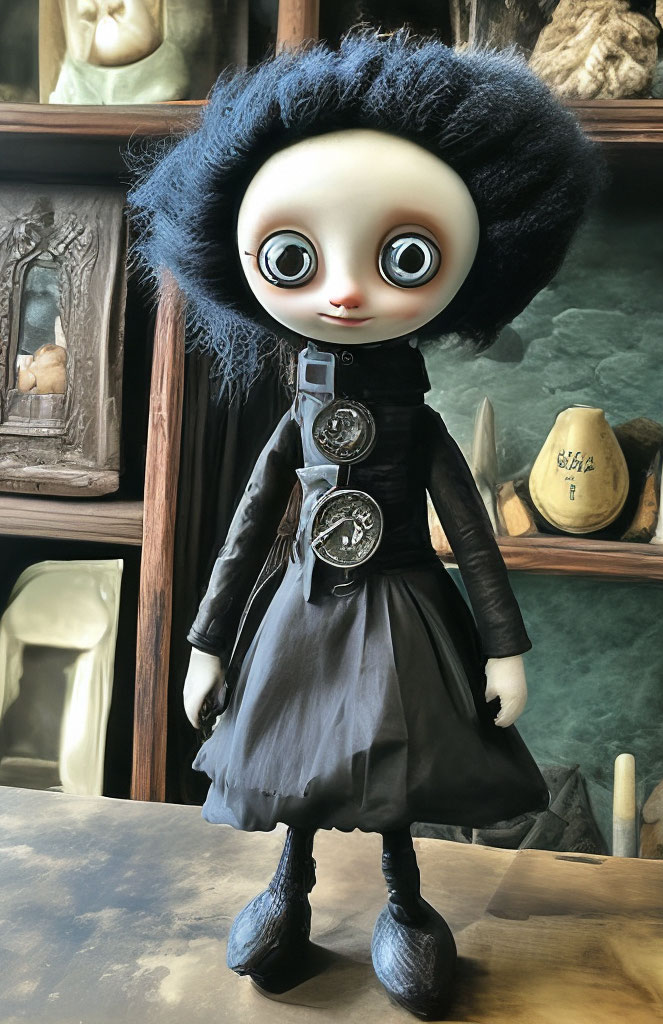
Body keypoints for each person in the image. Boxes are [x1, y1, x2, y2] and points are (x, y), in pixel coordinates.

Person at [129, 31, 598, 1018]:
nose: (345, 290)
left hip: (401, 614)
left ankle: (405, 904)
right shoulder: (296, 417)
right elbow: (249, 530)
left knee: (393, 774)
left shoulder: (417, 422)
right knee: (299, 764)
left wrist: (504, 648)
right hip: (303, 610)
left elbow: (472, 537)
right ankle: (288, 889)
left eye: (404, 256)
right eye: (294, 257)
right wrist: (208, 642)